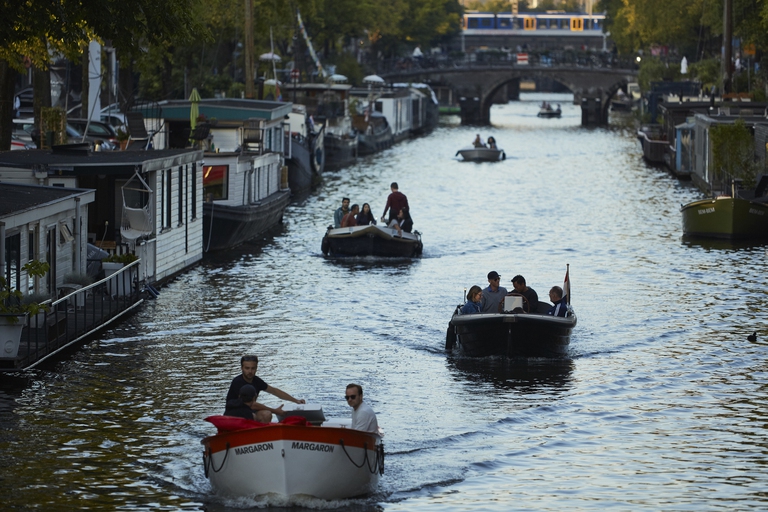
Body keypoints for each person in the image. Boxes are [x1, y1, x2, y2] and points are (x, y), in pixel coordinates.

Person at [226, 355, 306, 423]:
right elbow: (253, 405)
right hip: (235, 413)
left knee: (266, 414)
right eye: (247, 368)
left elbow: (274, 391)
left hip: (249, 411)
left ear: (256, 368)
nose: (250, 371)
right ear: (242, 368)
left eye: (253, 368)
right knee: (255, 415)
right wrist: (275, 411)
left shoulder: (256, 381)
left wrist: (296, 400)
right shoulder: (237, 382)